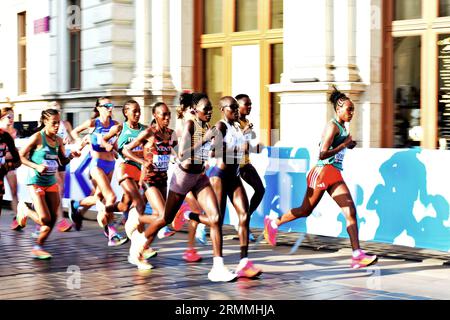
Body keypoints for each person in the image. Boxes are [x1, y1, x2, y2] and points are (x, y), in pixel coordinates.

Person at [263, 86, 378, 269]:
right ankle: (274, 222)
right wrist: (344, 145)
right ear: (338, 108)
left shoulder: (341, 128)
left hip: (334, 174)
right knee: (305, 210)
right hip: (322, 172)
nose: (352, 113)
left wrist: (348, 144)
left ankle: (357, 254)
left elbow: (338, 147)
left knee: (350, 211)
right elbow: (323, 154)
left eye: (353, 109)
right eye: (349, 109)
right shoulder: (332, 125)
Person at [127, 93, 236, 281]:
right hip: (183, 177)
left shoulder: (207, 126)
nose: (209, 113)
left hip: (200, 177)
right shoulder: (190, 124)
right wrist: (205, 140)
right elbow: (184, 154)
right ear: (195, 110)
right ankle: (141, 243)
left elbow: (211, 151)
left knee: (216, 217)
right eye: (205, 110)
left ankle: (217, 267)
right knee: (165, 218)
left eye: (211, 109)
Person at [207, 96, 262, 278]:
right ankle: (218, 266)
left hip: (234, 175)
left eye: (236, 107)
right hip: (220, 176)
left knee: (244, 215)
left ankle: (244, 263)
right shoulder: (221, 126)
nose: (236, 110)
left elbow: (243, 147)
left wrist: (251, 147)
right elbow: (213, 151)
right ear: (223, 109)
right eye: (232, 107)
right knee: (218, 220)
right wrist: (238, 150)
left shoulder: (237, 126)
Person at [15, 109, 80, 259]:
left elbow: (62, 161)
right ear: (45, 122)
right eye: (54, 123)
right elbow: (20, 157)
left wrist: (72, 156)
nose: (57, 126)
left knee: (52, 219)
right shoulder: (37, 137)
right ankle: (24, 209)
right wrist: (36, 166)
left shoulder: (58, 140)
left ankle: (38, 246)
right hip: (36, 181)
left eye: (59, 123)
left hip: (51, 181)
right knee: (45, 219)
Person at [122, 102, 178, 269]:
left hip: (162, 179)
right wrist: (142, 162)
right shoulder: (149, 133)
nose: (167, 118)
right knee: (163, 216)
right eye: (163, 115)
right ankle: (137, 220)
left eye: (169, 114)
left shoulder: (171, 133)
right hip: (149, 180)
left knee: (161, 220)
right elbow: (126, 150)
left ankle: (138, 253)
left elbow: (179, 153)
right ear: (155, 115)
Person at [71, 97, 127, 246]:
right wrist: (80, 143)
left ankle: (77, 204)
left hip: (110, 164)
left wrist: (115, 150)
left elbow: (115, 143)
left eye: (111, 104)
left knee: (98, 196)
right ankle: (111, 232)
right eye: (107, 105)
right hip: (96, 164)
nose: (110, 107)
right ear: (99, 108)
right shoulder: (93, 123)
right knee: (110, 197)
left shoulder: (115, 125)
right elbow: (75, 132)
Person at [235, 94, 265, 242]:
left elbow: (246, 147)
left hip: (245, 163)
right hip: (234, 166)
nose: (249, 107)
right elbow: (233, 143)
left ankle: (243, 222)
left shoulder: (246, 122)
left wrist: (256, 148)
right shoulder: (234, 123)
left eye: (251, 104)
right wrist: (245, 131)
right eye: (246, 104)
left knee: (260, 190)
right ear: (237, 105)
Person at [0, 107, 23, 232]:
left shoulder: (13, 132)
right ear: (2, 117)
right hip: (2, 163)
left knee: (14, 190)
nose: (12, 119)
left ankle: (17, 218)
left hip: (9, 165)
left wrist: (15, 156)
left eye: (13, 116)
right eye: (9, 116)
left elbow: (13, 152)